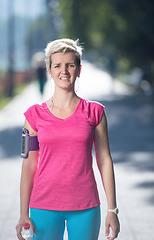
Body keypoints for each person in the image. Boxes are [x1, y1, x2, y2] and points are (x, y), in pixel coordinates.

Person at [16, 38, 120, 240]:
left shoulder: (95, 112)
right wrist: (23, 214)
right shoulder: (33, 116)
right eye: (57, 65)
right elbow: (28, 165)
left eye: (70, 65)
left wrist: (112, 210)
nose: (64, 71)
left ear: (79, 69)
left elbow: (105, 160)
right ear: (49, 70)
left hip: (86, 207)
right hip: (43, 206)